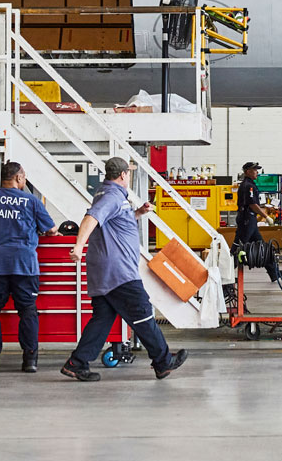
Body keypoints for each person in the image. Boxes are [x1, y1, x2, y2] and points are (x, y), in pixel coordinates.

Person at [62, 157, 188, 382]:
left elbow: (113, 221)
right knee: (142, 313)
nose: (128, 176)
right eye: (128, 173)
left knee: (102, 318)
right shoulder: (111, 196)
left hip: (105, 271)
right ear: (122, 175)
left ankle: (77, 363)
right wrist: (79, 246)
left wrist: (138, 213)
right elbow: (91, 218)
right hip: (118, 272)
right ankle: (163, 361)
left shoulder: (107, 194)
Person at [0, 161, 55, 374]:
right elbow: (51, 229)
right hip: (24, 264)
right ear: (19, 178)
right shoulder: (31, 201)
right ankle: (30, 361)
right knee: (28, 310)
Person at [234, 162, 282, 282]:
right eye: (254, 170)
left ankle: (274, 273)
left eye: (257, 170)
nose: (256, 172)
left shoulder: (250, 184)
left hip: (250, 220)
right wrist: (266, 216)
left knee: (263, 248)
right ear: (247, 171)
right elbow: (252, 204)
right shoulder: (248, 185)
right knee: (238, 247)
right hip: (246, 220)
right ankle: (225, 275)